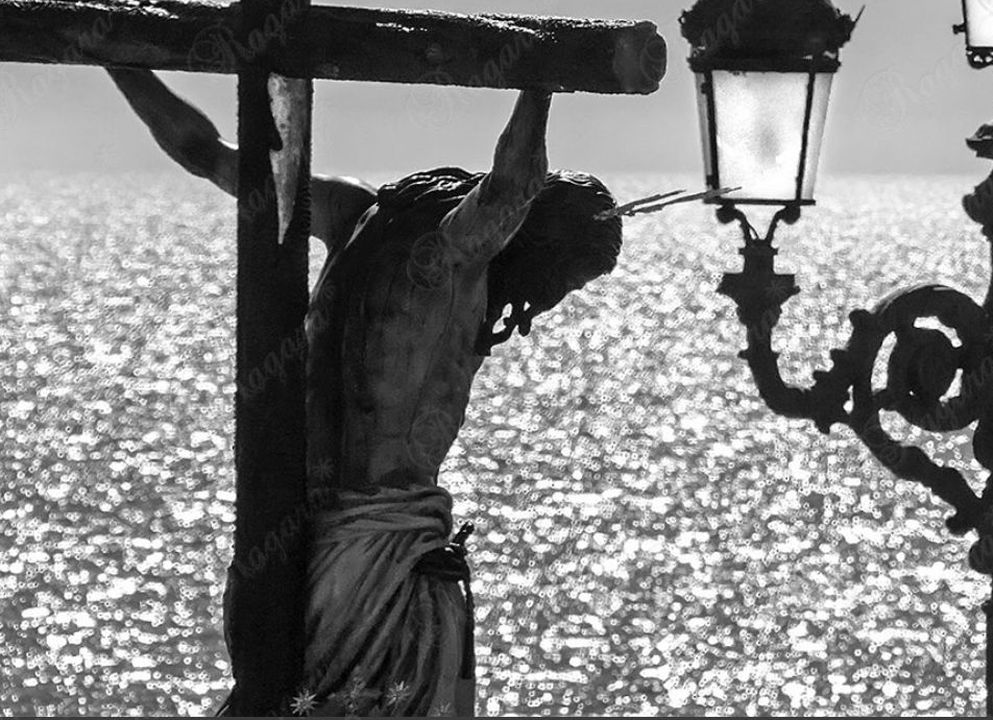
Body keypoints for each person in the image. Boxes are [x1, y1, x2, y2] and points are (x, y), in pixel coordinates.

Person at [107, 67, 623, 717]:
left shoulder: (351, 213)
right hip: (376, 564)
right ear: (534, 243)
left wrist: (121, 62)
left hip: (285, 537)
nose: (549, 301)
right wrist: (540, 79)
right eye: (566, 282)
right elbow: (511, 186)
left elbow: (204, 153)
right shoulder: (457, 253)